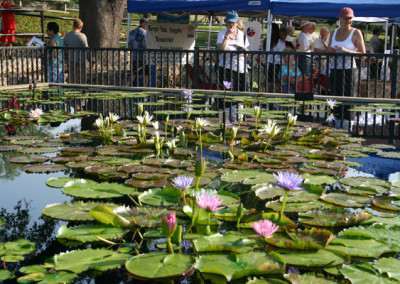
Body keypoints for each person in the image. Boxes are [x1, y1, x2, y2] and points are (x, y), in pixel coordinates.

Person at [327, 7, 365, 120]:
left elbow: (363, 54)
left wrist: (346, 50)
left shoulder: (356, 32)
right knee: (334, 96)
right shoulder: (333, 32)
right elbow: (328, 51)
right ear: (340, 18)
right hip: (334, 68)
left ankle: (349, 122)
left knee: (349, 96)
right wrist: (332, 51)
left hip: (349, 69)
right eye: (345, 18)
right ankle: (334, 121)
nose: (348, 21)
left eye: (350, 18)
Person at [216, 10, 249, 91]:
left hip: (241, 67)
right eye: (229, 22)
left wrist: (242, 51)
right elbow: (221, 51)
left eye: (233, 22)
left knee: (244, 90)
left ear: (237, 23)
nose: (231, 24)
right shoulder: (222, 33)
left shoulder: (242, 35)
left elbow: (247, 54)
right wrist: (227, 36)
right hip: (226, 68)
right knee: (228, 92)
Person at [64, 18, 89, 84]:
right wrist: (89, 59)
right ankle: (82, 92)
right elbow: (86, 49)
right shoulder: (82, 36)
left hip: (71, 60)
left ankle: (72, 91)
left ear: (73, 26)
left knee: (72, 77)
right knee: (81, 78)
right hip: (81, 60)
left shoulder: (67, 35)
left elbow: (65, 48)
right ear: (80, 27)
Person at [263, 24, 286, 92]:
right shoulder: (280, 41)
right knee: (276, 83)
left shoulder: (265, 40)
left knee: (269, 82)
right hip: (277, 64)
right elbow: (283, 53)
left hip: (268, 63)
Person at [128, 18, 149, 87]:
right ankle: (145, 89)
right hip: (143, 57)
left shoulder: (132, 32)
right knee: (146, 74)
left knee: (134, 73)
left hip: (134, 56)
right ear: (143, 23)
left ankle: (126, 87)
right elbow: (145, 45)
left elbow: (129, 45)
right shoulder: (145, 33)